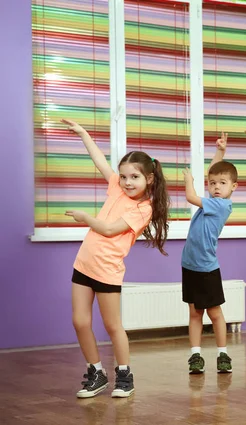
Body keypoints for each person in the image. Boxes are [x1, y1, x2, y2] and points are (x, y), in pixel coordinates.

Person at [63, 119, 170, 398]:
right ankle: (96, 372)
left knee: (112, 326)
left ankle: (124, 374)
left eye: (134, 177)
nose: (126, 182)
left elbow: (110, 229)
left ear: (149, 179)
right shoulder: (116, 188)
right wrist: (84, 133)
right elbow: (99, 160)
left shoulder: (144, 209)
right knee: (80, 321)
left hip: (107, 271)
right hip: (83, 264)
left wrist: (85, 218)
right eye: (123, 176)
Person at [182, 132, 238, 375]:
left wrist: (188, 179)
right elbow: (215, 172)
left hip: (206, 268)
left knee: (214, 313)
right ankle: (195, 356)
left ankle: (222, 354)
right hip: (189, 265)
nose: (216, 187)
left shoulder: (221, 205)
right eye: (212, 184)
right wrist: (220, 153)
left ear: (233, 187)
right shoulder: (214, 199)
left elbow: (190, 196)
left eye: (222, 184)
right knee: (195, 313)